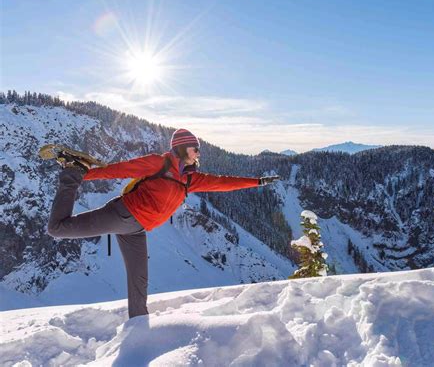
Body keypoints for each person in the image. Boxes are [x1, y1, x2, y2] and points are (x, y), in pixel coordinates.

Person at [47, 129, 279, 318]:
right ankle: (70, 173)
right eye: (195, 148)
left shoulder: (189, 179)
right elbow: (121, 170)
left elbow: (222, 182)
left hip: (137, 229)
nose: (198, 153)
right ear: (181, 147)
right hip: (122, 214)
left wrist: (256, 181)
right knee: (57, 228)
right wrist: (80, 175)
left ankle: (139, 323)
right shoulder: (158, 163)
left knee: (139, 279)